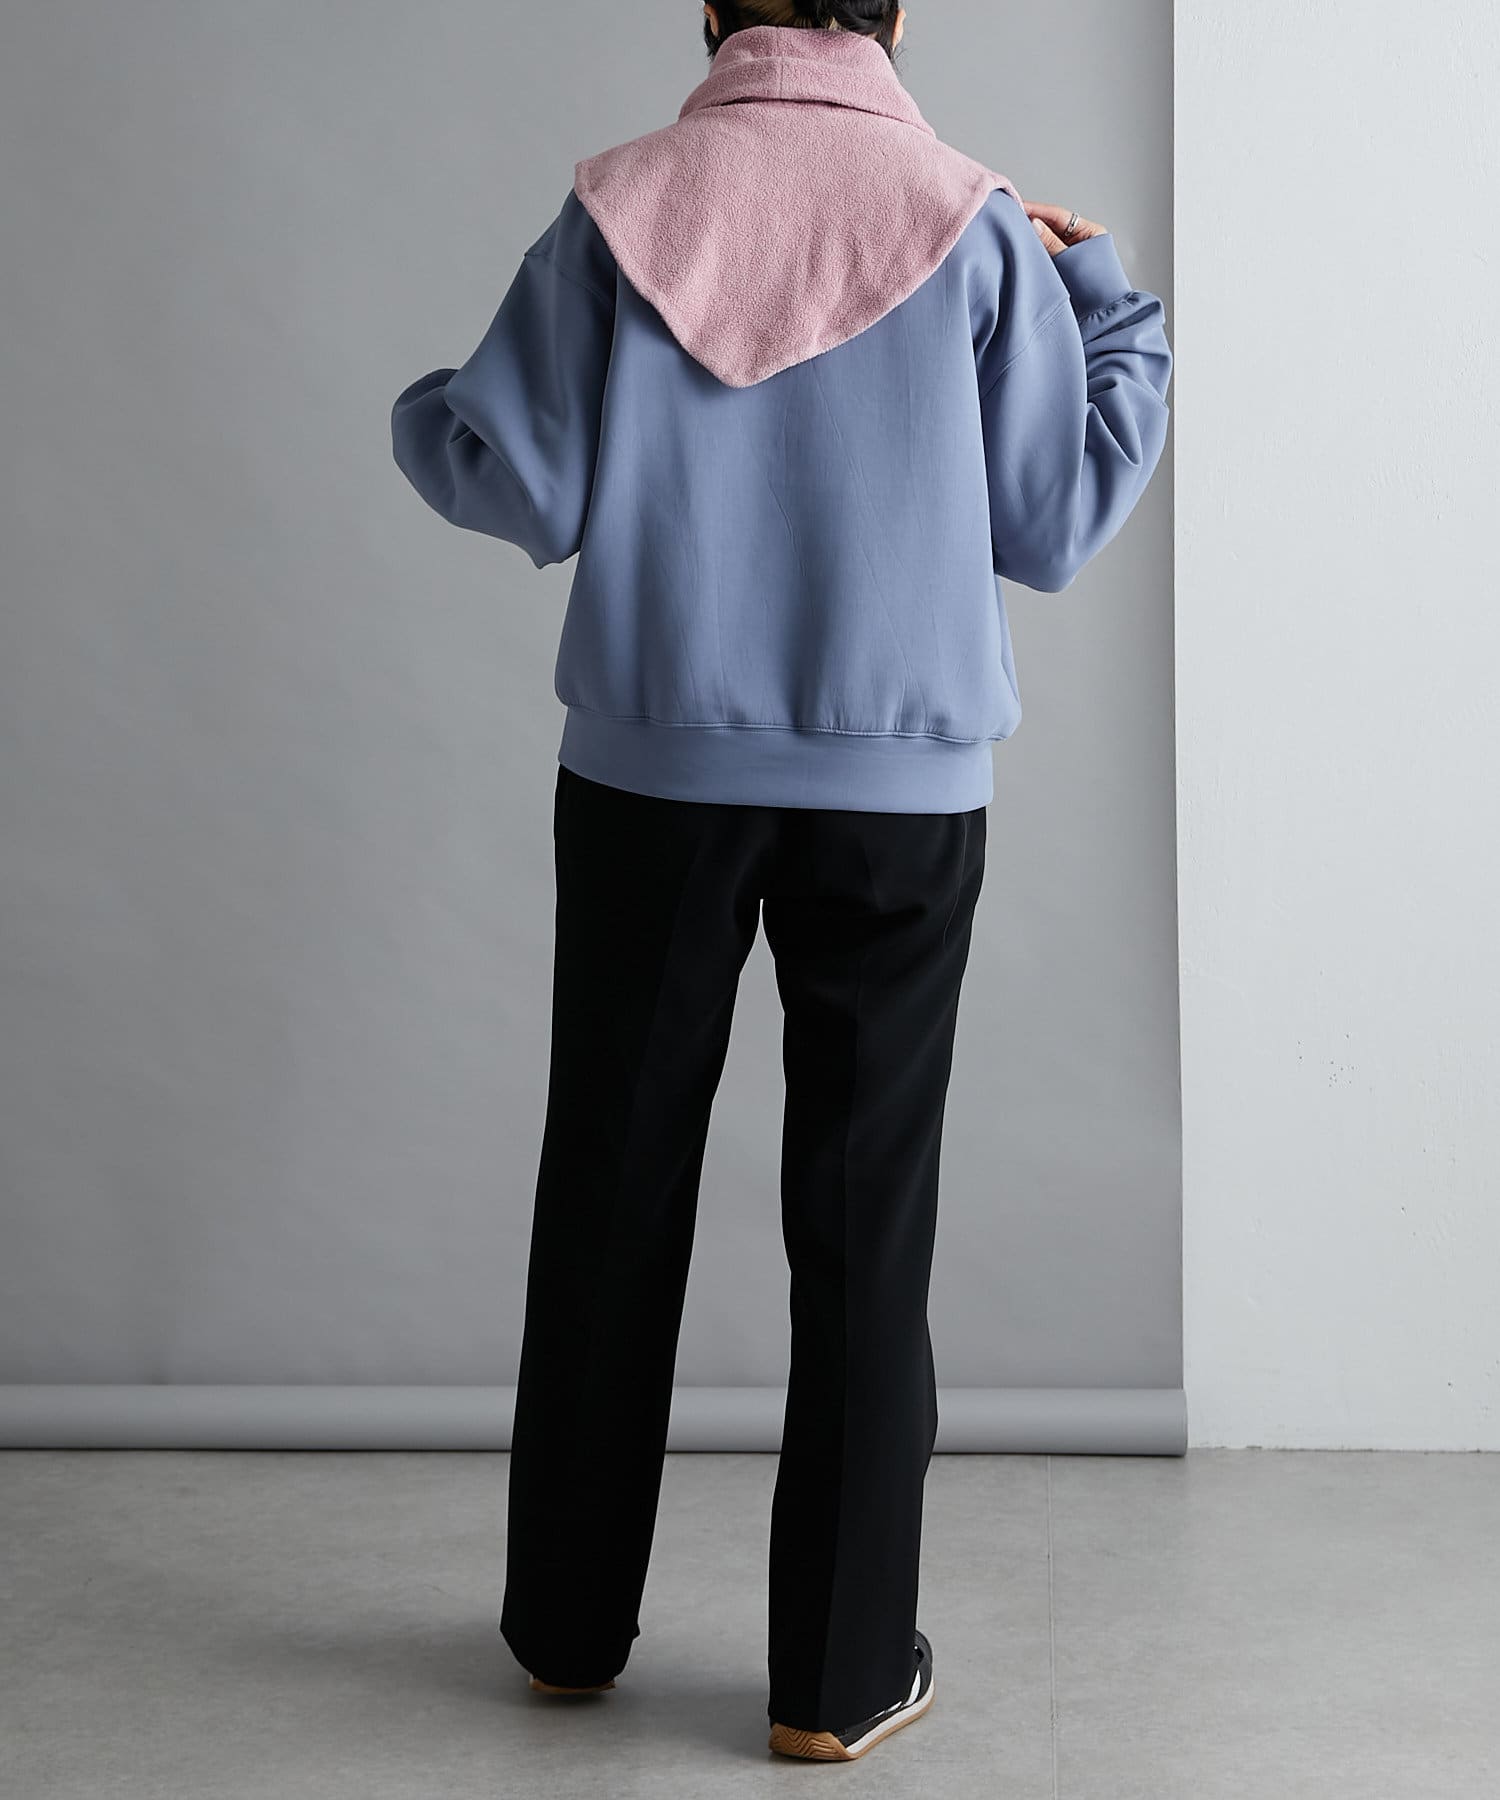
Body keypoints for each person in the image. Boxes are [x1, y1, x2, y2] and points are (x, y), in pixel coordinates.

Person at [390, 0, 1171, 1765]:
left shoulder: (620, 203)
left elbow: (517, 480)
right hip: (901, 795)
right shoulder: (974, 219)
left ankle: (566, 1629)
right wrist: (1113, 304)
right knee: (865, 1216)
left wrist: (425, 415)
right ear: (899, 12)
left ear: (711, 5)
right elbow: (1053, 522)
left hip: (654, 778)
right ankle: (836, 1679)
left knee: (611, 1183)